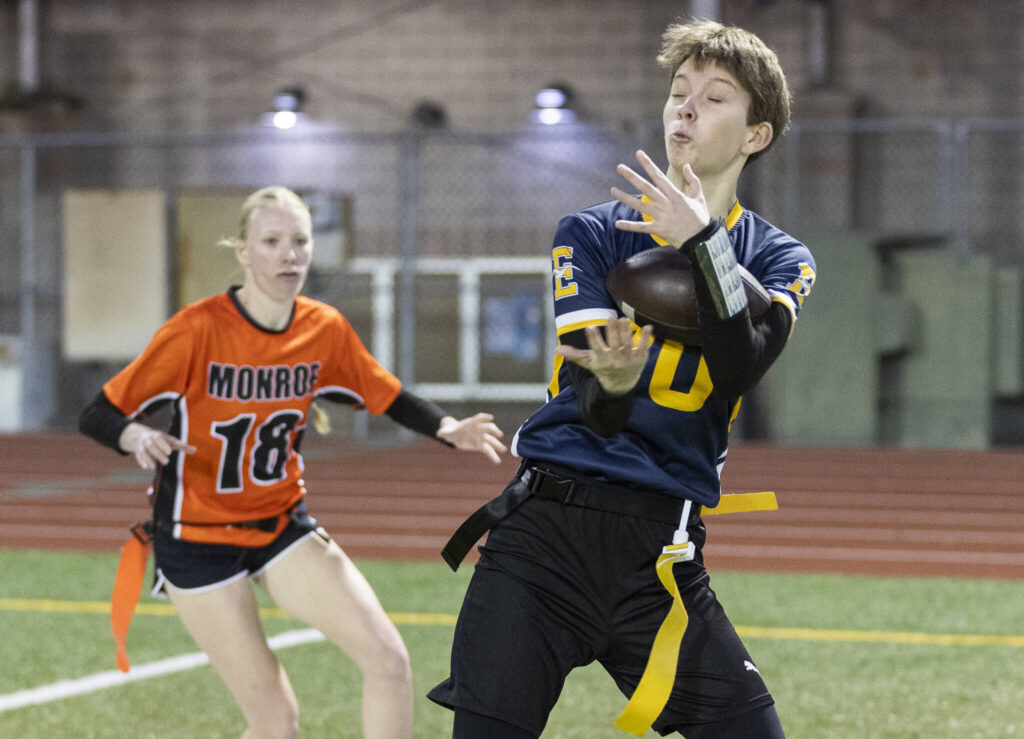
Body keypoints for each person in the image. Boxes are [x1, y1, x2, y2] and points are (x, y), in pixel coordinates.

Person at [429, 19, 816, 739]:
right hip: (546, 537)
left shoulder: (780, 257)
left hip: (660, 552)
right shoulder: (593, 230)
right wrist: (612, 384)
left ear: (756, 134)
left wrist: (703, 243)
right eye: (678, 92)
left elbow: (740, 368)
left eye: (714, 97)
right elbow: (595, 411)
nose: (686, 109)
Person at [79, 185, 507, 739]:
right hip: (196, 538)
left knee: (389, 660)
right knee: (276, 724)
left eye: (300, 241)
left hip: (281, 526)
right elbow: (98, 413)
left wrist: (446, 428)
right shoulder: (197, 329)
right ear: (243, 252)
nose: (289, 254)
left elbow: (387, 394)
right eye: (273, 241)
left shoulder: (322, 327)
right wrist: (133, 432)